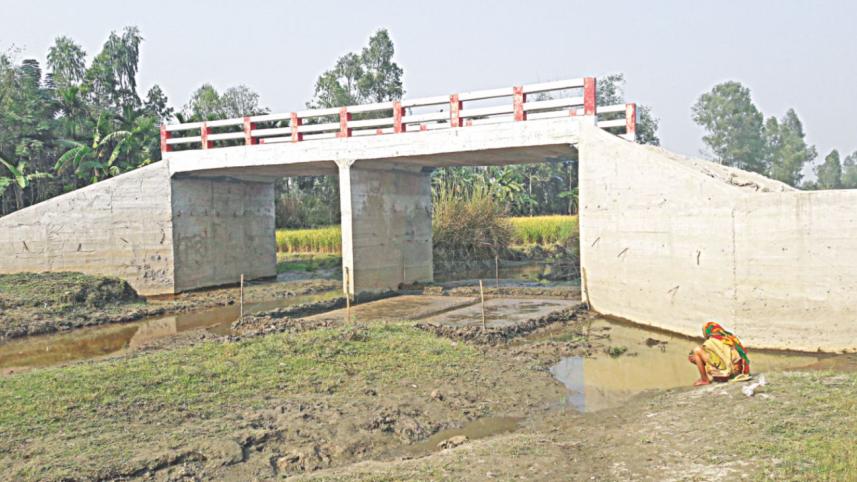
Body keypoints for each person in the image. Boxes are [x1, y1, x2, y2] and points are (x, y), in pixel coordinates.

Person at [688, 322, 751, 386]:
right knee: (706, 356)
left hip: (727, 372)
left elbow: (702, 355)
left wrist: (696, 358)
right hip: (738, 371)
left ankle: (704, 379)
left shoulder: (711, 341)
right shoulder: (730, 337)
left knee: (697, 351)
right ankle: (714, 375)